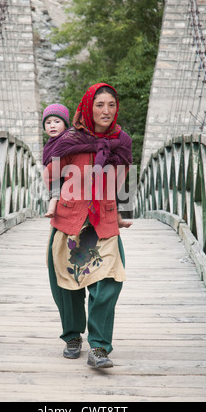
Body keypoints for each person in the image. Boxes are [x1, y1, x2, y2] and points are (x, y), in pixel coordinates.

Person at [44, 83, 133, 369]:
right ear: (87, 107)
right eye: (99, 105)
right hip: (71, 219)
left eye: (111, 105)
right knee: (67, 284)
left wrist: (122, 211)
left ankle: (99, 347)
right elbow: (52, 174)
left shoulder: (122, 140)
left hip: (103, 221)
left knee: (108, 283)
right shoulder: (70, 139)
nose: (106, 111)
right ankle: (72, 336)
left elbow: (122, 178)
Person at [42, 104, 70, 218]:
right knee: (54, 175)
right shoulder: (50, 144)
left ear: (65, 124)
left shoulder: (68, 138)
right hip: (56, 174)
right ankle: (53, 203)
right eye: (48, 123)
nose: (52, 126)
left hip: (71, 173)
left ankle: (52, 204)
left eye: (57, 122)